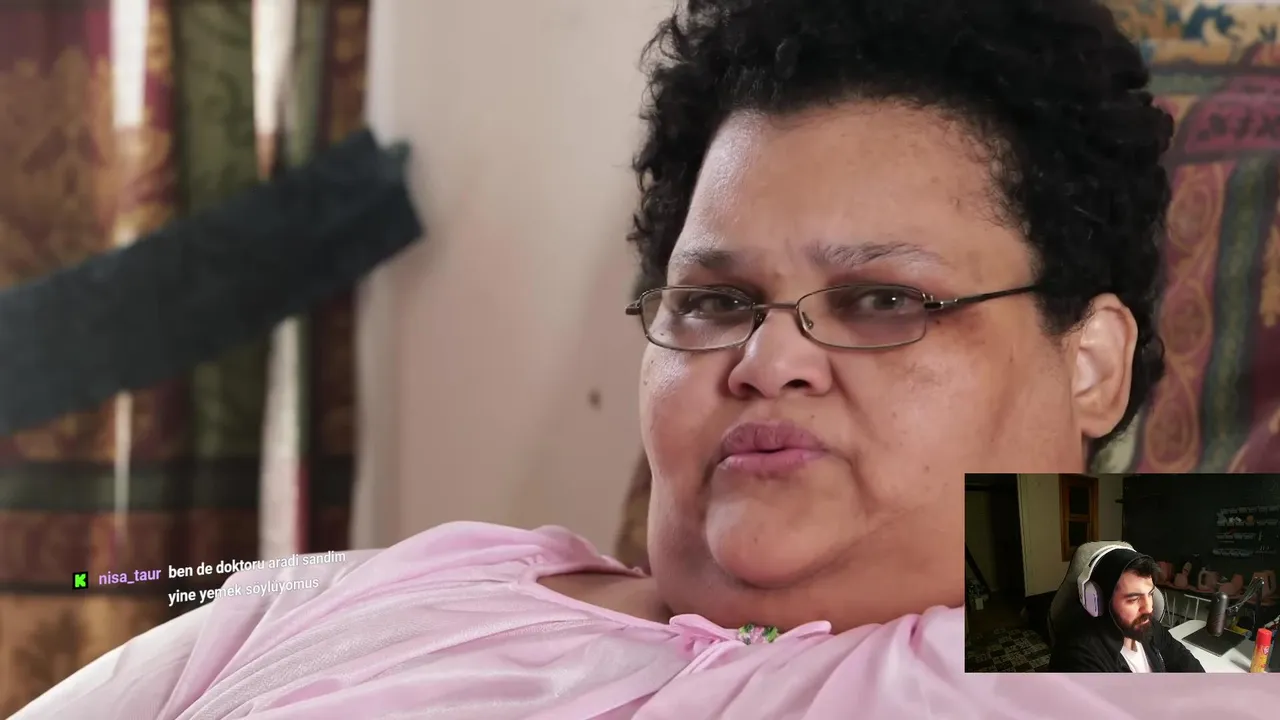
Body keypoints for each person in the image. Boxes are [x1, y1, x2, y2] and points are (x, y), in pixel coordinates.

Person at [14, 0, 1171, 717]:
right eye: (714, 301)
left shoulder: (1114, 634)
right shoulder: (398, 588)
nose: (766, 358)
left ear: (1089, 364)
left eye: (882, 299)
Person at [1049, 549, 1205, 672]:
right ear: (1099, 601)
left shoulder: (1147, 626)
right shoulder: (1078, 658)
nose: (1149, 608)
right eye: (1134, 599)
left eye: (1150, 594)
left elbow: (1183, 660)